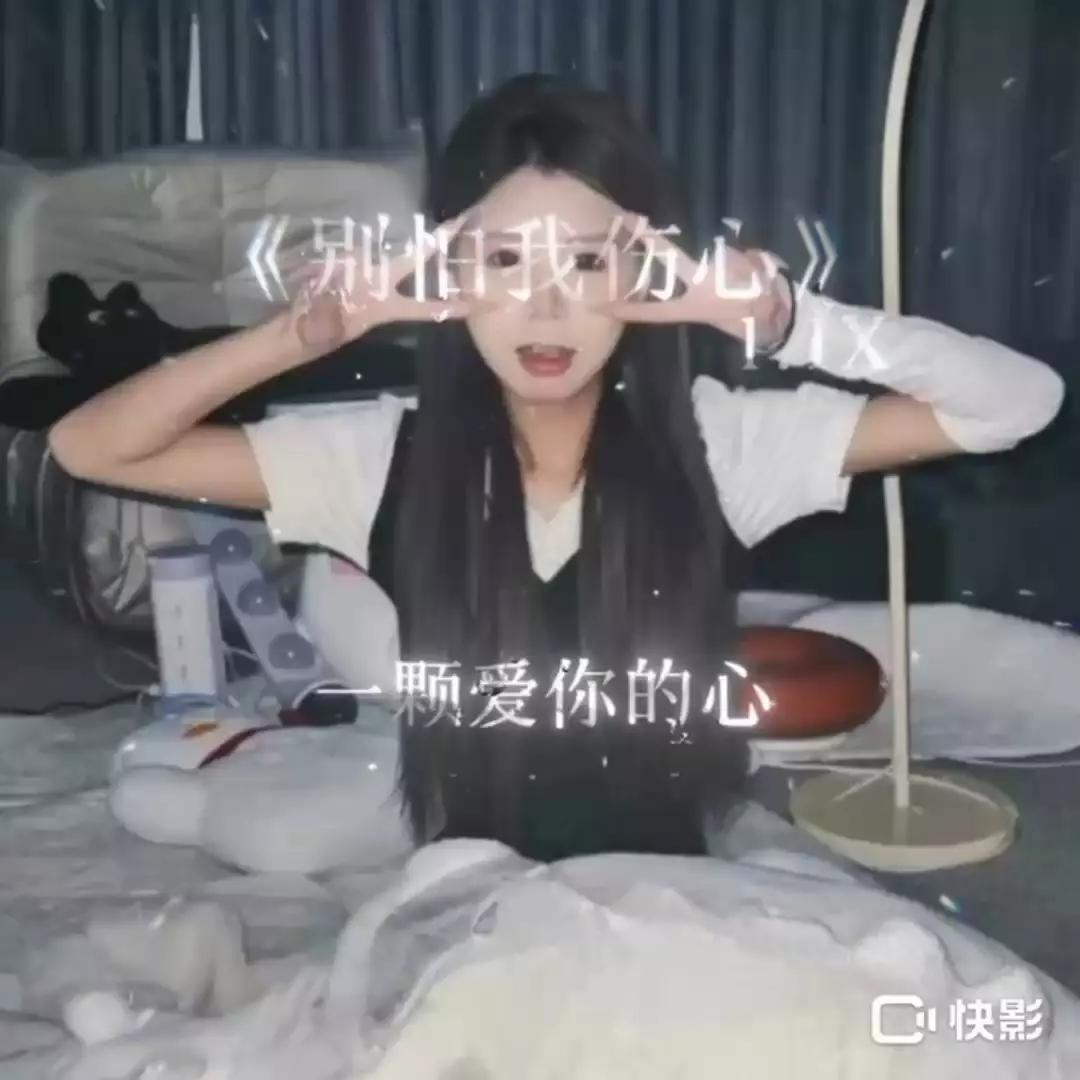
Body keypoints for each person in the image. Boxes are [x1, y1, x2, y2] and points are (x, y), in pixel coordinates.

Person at [49, 74, 1063, 863]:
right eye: (503, 262)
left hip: (668, 889)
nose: (545, 310)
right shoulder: (378, 455)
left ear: (645, 271)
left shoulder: (719, 443)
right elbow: (90, 446)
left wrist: (792, 320)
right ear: (449, 271)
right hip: (466, 889)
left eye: (585, 262)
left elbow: (1019, 403)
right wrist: (300, 335)